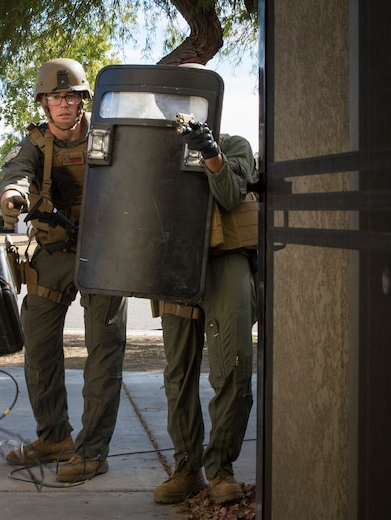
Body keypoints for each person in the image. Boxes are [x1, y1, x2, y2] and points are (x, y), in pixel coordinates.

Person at [0, 58, 128, 483]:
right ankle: (54, 437)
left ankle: (93, 451)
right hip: (52, 252)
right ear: (44, 102)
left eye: (71, 96)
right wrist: (13, 195)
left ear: (83, 99)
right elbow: (15, 173)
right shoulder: (34, 143)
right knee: (38, 345)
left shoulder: (108, 133)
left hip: (102, 252)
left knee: (103, 351)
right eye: (57, 97)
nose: (65, 104)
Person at [152, 96, 257, 505]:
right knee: (178, 372)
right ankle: (187, 467)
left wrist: (210, 151)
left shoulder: (235, 145)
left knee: (233, 366)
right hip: (176, 264)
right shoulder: (158, 151)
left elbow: (231, 196)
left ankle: (221, 469)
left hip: (224, 258)